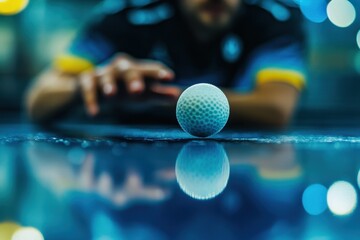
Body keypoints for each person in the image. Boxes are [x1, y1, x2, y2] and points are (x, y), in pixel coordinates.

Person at [26, 0, 307, 128]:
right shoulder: (125, 15)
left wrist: (147, 99)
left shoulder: (275, 17)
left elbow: (276, 108)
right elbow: (38, 99)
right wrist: (82, 87)